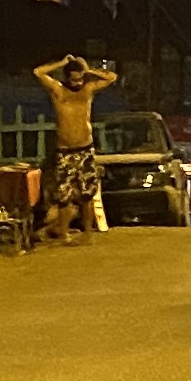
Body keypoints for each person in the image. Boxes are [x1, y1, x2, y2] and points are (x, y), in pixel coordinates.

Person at [34, 52, 112, 240]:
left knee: (87, 194)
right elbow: (38, 72)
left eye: (80, 79)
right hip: (64, 150)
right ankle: (64, 232)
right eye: (74, 79)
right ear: (67, 77)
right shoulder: (59, 90)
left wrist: (88, 70)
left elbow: (111, 77)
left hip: (85, 147)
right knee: (63, 195)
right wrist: (62, 62)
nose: (77, 83)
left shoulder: (88, 89)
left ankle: (87, 232)